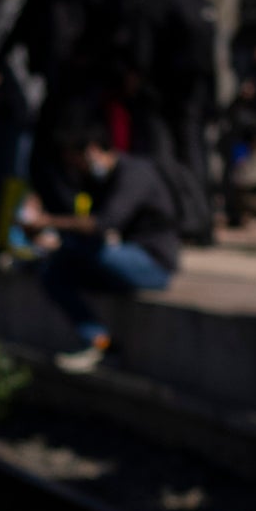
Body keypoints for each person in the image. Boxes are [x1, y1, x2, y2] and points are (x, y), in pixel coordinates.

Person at [37, 121, 204, 373]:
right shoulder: (99, 179)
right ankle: (100, 342)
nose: (76, 169)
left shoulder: (135, 173)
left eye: (76, 161)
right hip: (123, 258)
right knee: (54, 272)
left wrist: (48, 222)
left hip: (153, 264)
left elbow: (105, 223)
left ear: (92, 150)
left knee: (80, 249)